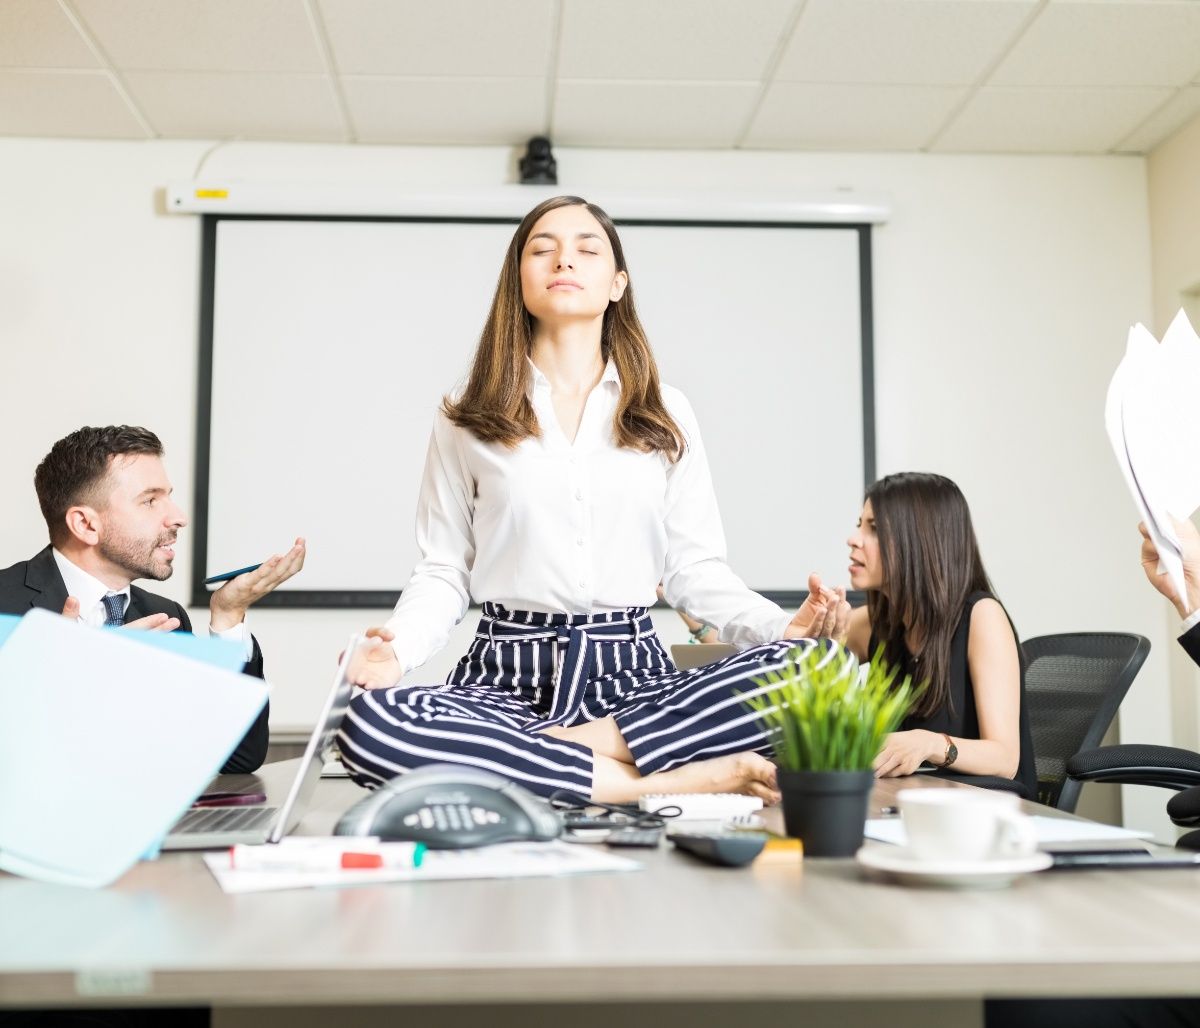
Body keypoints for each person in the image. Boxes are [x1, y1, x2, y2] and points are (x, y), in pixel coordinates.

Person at [336, 194, 851, 804]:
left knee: (825, 669)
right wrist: (395, 653)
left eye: (587, 249)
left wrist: (781, 628)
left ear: (617, 284)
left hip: (633, 677)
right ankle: (665, 780)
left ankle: (542, 758)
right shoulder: (466, 413)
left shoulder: (666, 409)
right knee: (367, 725)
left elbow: (692, 569)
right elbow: (445, 569)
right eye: (542, 249)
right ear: (518, 278)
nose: (564, 261)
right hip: (503, 675)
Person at [0, 425, 305, 773]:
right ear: (85, 524)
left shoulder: (165, 617)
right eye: (149, 500)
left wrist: (229, 617)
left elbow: (237, 759)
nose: (178, 517)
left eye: (168, 497)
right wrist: (66, 681)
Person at [840, 471, 1037, 798]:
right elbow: (795, 655)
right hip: (909, 805)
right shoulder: (875, 623)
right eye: (859, 525)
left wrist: (930, 744)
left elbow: (1005, 759)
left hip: (984, 813)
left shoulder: (982, 617)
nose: (853, 539)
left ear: (919, 539)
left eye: (873, 528)